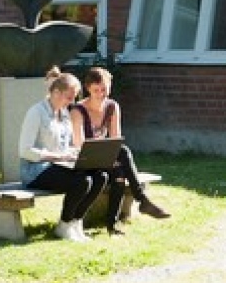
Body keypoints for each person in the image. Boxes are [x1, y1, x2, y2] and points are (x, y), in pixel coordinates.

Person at [71, 66, 170, 235]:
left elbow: (115, 138)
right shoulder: (78, 110)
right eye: (96, 90)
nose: (101, 94)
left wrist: (110, 157)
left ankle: (112, 226)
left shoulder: (112, 106)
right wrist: (106, 154)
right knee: (122, 153)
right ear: (88, 89)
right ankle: (142, 200)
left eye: (105, 89)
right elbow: (79, 144)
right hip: (85, 159)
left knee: (119, 173)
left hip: (104, 155)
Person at [18, 67, 109, 242]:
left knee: (100, 176)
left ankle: (76, 222)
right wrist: (57, 157)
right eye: (69, 97)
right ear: (56, 92)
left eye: (74, 97)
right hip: (35, 171)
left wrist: (78, 154)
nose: (72, 101)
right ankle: (64, 225)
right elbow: (25, 151)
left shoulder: (65, 114)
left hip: (60, 166)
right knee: (82, 181)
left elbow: (67, 146)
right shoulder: (36, 112)